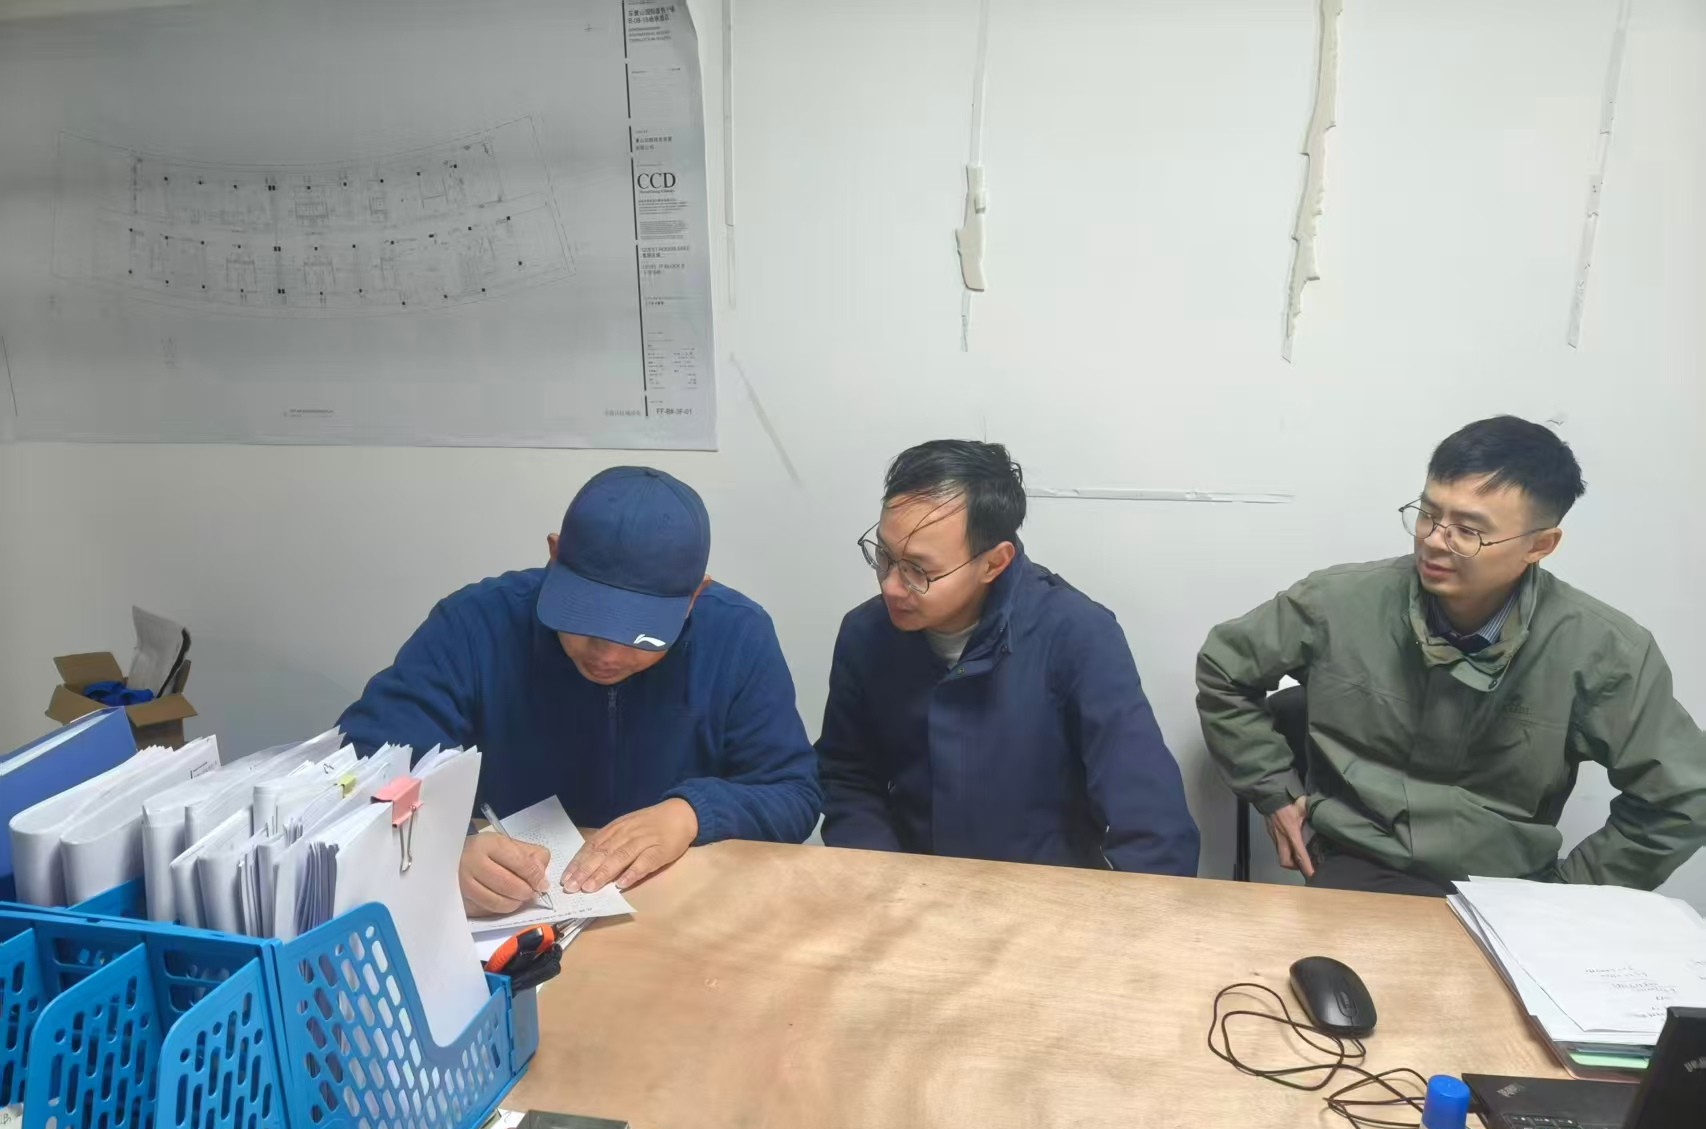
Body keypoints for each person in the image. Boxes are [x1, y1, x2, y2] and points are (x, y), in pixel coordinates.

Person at [1197, 416, 1706, 895]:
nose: (1435, 542)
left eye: (1469, 530)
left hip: (1502, 885)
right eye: (1428, 514)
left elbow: (1682, 796)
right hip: (1355, 860)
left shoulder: (1601, 650)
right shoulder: (1337, 603)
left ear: (1540, 546)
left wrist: (1573, 895)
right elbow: (1225, 669)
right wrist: (1275, 794)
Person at [339, 466, 821, 915]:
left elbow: (793, 793)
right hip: (515, 919)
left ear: (695, 595)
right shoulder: (476, 624)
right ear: (554, 557)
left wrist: (691, 814)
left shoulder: (736, 636)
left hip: (678, 912)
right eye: (583, 621)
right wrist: (442, 847)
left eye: (640, 636)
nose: (606, 655)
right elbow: (364, 762)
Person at [815, 439, 1199, 873]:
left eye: (918, 570)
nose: (890, 586)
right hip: (912, 890)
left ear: (994, 563)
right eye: (884, 556)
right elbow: (848, 777)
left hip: (1046, 895)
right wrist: (884, 878)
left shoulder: (1076, 636)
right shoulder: (866, 634)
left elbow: (1154, 827)